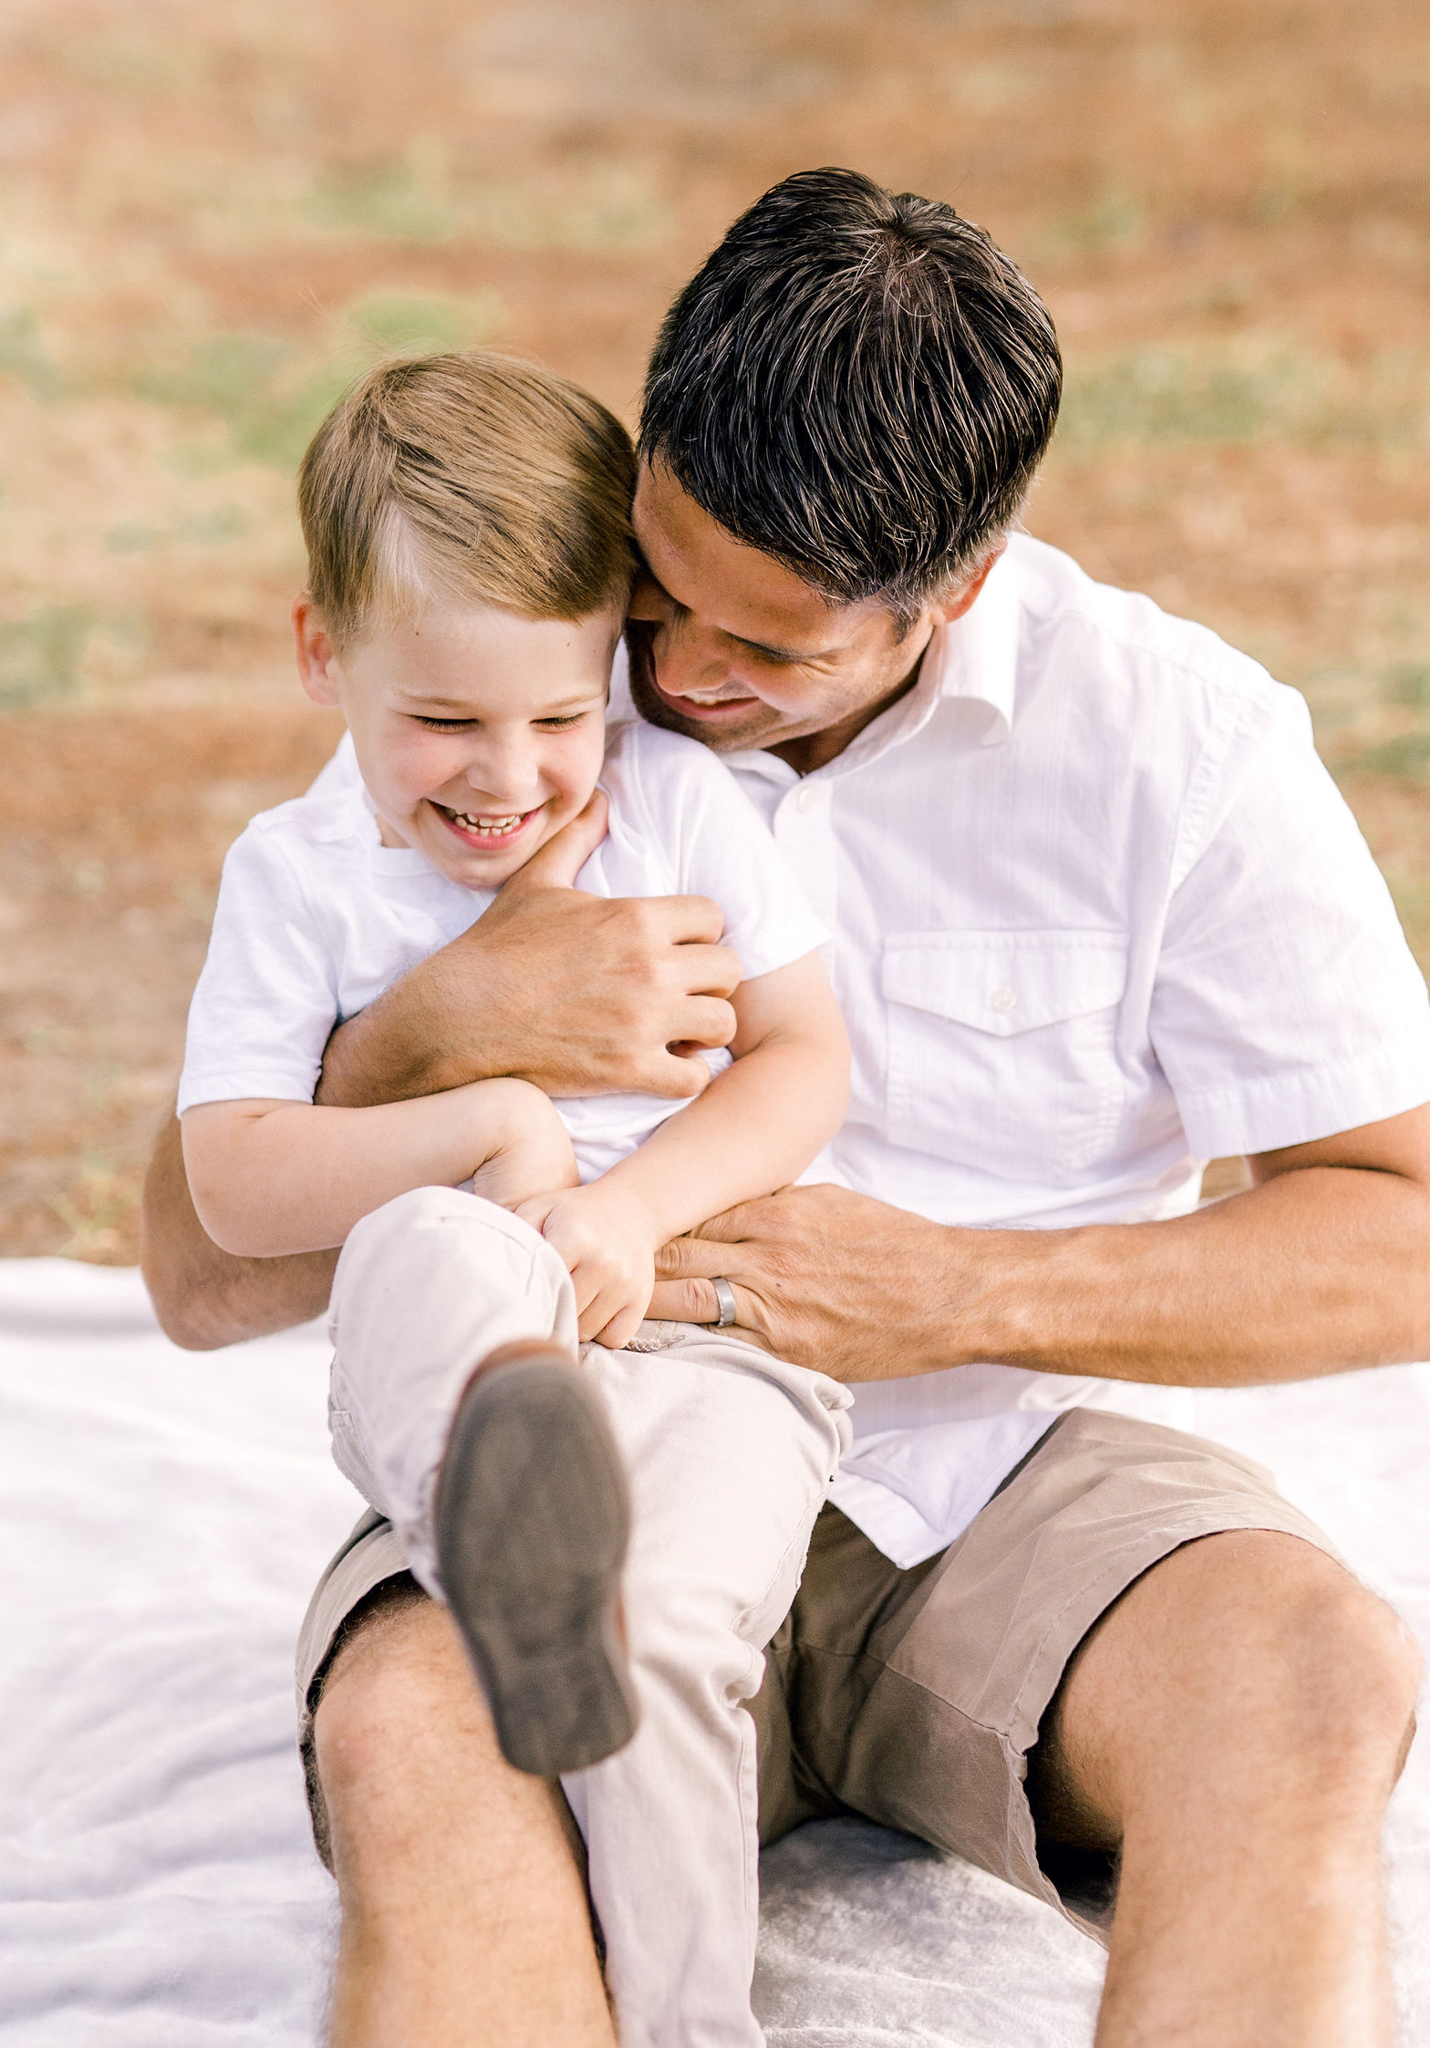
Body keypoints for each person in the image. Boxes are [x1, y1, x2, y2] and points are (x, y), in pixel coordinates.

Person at [142, 169, 1430, 2048]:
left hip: (991, 1485)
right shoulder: (514, 687)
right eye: (665, 594)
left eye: (767, 654)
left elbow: (1415, 1252)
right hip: (574, 1437)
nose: (675, 682)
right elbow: (202, 1274)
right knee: (418, 1744)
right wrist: (433, 1039)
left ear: (960, 590)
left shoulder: (1182, 751)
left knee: (1311, 1671)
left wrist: (964, 1297)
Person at [176, 348, 854, 2032]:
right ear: (322, 653)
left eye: (562, 717)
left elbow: (803, 1063)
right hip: (468, 1335)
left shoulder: (682, 808)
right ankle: (510, 1475)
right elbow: (235, 1182)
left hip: (706, 1342)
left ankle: (691, 2016)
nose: (509, 779)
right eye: (442, 722)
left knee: (676, 1645)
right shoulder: (301, 876)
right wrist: (484, 1129)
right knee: (433, 1248)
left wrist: (624, 1212)